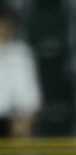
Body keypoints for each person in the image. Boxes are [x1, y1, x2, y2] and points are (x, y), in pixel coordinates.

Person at [0, 8, 42, 138]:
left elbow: (32, 99)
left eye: (6, 25)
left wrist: (24, 120)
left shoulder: (21, 53)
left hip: (12, 121)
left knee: (22, 128)